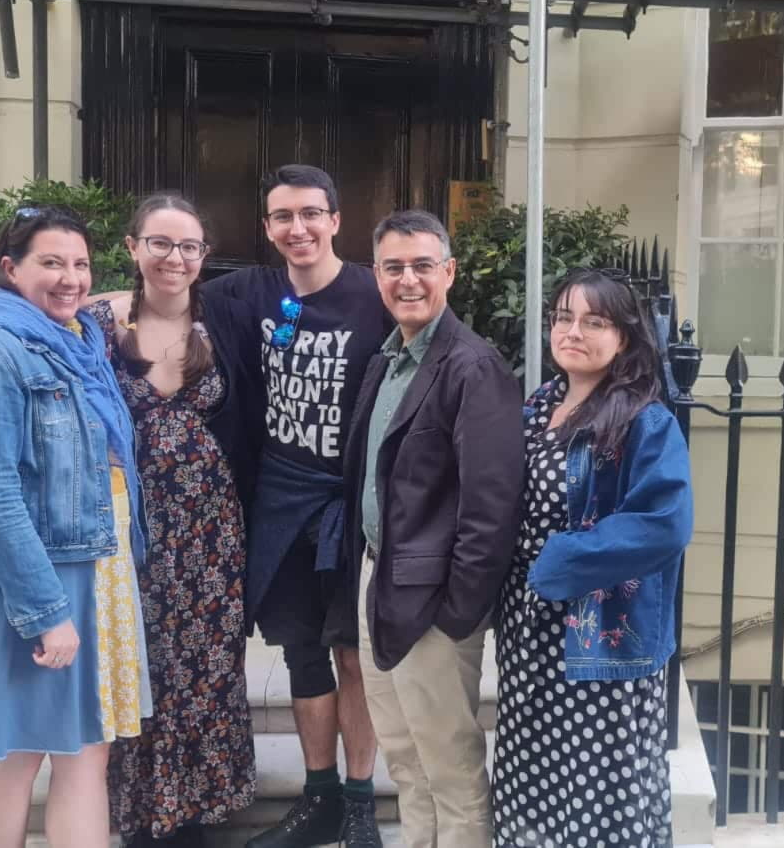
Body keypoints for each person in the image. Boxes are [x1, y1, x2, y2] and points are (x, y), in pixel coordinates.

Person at [0, 205, 151, 847]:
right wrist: (46, 611)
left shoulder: (75, 342)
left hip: (91, 563)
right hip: (35, 575)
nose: (71, 278)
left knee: (85, 751)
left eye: (80, 264)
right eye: (51, 262)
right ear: (10, 268)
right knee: (18, 755)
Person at [199, 165, 394, 848]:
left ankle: (361, 802)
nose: (298, 227)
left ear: (336, 220)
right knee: (302, 653)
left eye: (311, 213)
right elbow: (160, 291)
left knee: (354, 655)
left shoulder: (374, 292)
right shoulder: (249, 291)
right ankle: (320, 799)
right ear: (268, 227)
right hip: (281, 500)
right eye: (283, 216)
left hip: (352, 503)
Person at [491, 268, 694, 848]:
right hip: (528, 629)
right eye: (563, 318)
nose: (573, 331)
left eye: (594, 321)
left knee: (597, 789)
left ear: (623, 337)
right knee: (532, 774)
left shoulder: (643, 421)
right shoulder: (538, 406)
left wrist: (561, 560)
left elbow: (664, 522)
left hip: (602, 636)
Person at [343, 209, 524, 847]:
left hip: (436, 604)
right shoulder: (387, 360)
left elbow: (491, 506)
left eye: (422, 265)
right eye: (393, 267)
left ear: (449, 272)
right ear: (376, 275)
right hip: (380, 582)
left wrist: (458, 613)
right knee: (405, 759)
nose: (408, 280)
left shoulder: (474, 367)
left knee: (449, 767)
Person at [91, 193, 256, 846]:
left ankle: (196, 810)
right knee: (138, 660)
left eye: (188, 246)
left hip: (212, 528)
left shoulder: (226, 321)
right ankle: (141, 812)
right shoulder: (98, 323)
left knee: (205, 665)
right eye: (159, 243)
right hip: (127, 524)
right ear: (133, 248)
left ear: (203, 256)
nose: (175, 258)